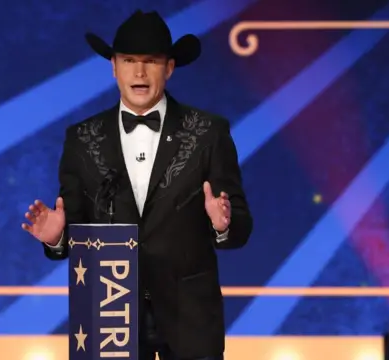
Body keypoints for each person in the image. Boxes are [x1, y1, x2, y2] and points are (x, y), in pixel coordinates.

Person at [21, 10, 252, 360]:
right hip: (109, 313)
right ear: (114, 67)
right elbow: (77, 229)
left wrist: (222, 224)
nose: (139, 72)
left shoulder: (208, 133)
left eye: (151, 61)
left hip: (189, 316)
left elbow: (241, 226)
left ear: (169, 68)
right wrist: (57, 237)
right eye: (128, 60)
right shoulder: (82, 139)